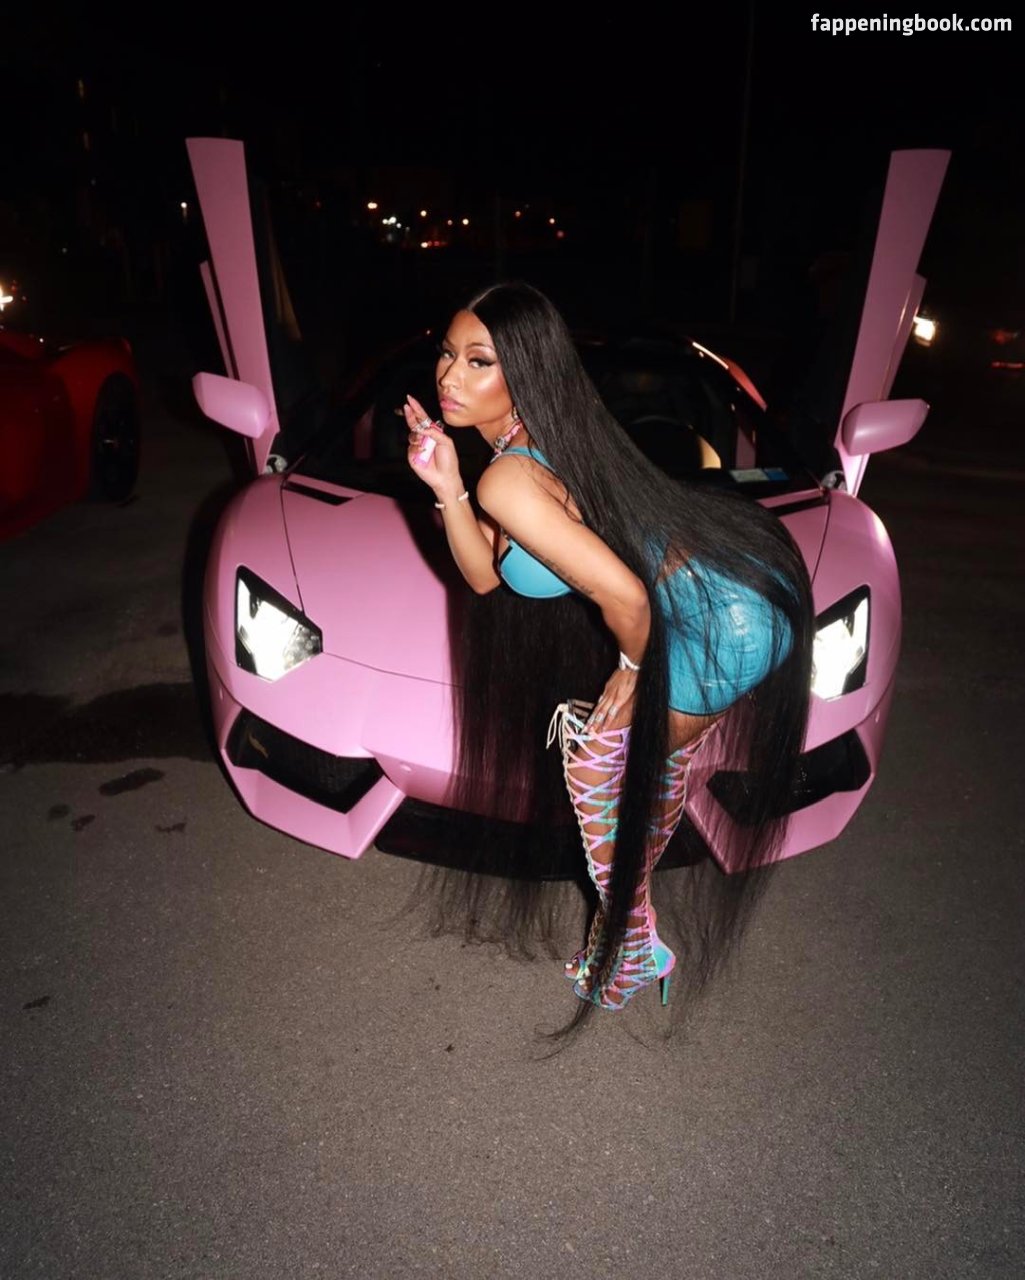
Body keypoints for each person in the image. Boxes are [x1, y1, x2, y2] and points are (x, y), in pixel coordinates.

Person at [404, 282, 813, 1017]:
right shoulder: (523, 450)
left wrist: (632, 666)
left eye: (477, 361)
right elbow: (485, 575)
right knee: (645, 776)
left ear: (524, 372)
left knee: (597, 763)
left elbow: (625, 598)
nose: (448, 377)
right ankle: (628, 934)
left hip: (721, 619)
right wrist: (445, 482)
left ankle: (631, 941)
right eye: (446, 353)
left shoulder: (512, 473)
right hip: (732, 592)